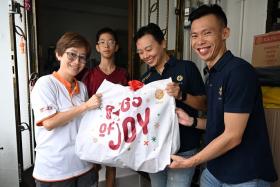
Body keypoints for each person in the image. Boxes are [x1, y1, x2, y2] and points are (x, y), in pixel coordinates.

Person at [169, 4, 278, 187]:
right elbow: (219, 122)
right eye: (194, 36)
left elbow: (232, 135)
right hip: (216, 170)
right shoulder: (213, 74)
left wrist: (190, 161)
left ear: (225, 33)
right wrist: (192, 121)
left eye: (207, 33)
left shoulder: (239, 72)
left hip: (245, 175)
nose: (200, 41)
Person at [134, 23, 206, 187]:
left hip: (185, 147)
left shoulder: (187, 68)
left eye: (149, 49)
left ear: (163, 43)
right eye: (140, 52)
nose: (145, 55)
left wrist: (181, 95)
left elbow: (205, 105)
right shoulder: (146, 80)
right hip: (155, 148)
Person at [31, 32, 102, 187]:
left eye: (82, 57)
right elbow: (49, 122)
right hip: (54, 171)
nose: (77, 62)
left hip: (84, 166)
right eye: (72, 55)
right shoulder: (45, 84)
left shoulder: (81, 87)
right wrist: (85, 106)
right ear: (59, 54)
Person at [82, 27, 129, 187]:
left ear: (116, 46)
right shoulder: (90, 75)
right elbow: (84, 102)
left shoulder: (123, 74)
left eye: (110, 42)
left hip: (116, 125)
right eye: (102, 42)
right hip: (95, 126)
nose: (106, 46)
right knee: (94, 164)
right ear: (97, 47)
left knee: (112, 162)